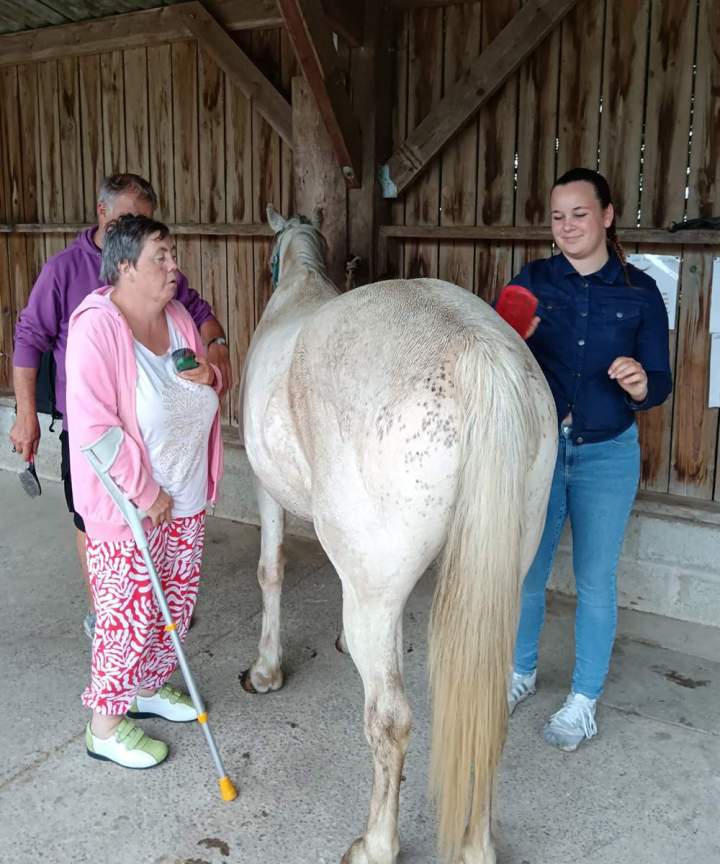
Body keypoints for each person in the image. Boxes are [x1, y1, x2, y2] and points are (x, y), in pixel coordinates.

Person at [9, 174, 232, 639]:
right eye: (128, 219)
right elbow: (29, 339)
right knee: (95, 526)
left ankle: (150, 633)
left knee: (158, 556)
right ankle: (106, 617)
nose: (136, 228)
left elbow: (198, 312)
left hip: (155, 434)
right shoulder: (65, 270)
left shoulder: (163, 281)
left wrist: (217, 351)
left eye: (145, 222)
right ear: (102, 212)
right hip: (93, 427)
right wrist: (26, 415)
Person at [506, 167, 672, 751]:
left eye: (579, 213)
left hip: (607, 454)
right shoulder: (532, 281)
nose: (567, 225)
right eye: (558, 216)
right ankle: (521, 672)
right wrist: (509, 333)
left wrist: (639, 385)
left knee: (595, 581)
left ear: (606, 215)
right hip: (541, 451)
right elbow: (495, 349)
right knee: (528, 572)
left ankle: (582, 700)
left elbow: (659, 380)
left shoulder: (640, 291)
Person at [65, 214, 223, 768]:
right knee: (127, 616)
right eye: (161, 257)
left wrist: (211, 377)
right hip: (130, 506)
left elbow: (197, 383)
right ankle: (105, 726)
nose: (174, 266)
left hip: (185, 495)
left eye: (172, 254)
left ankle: (147, 688)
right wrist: (145, 492)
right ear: (126, 266)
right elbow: (95, 430)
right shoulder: (97, 329)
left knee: (172, 605)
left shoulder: (177, 318)